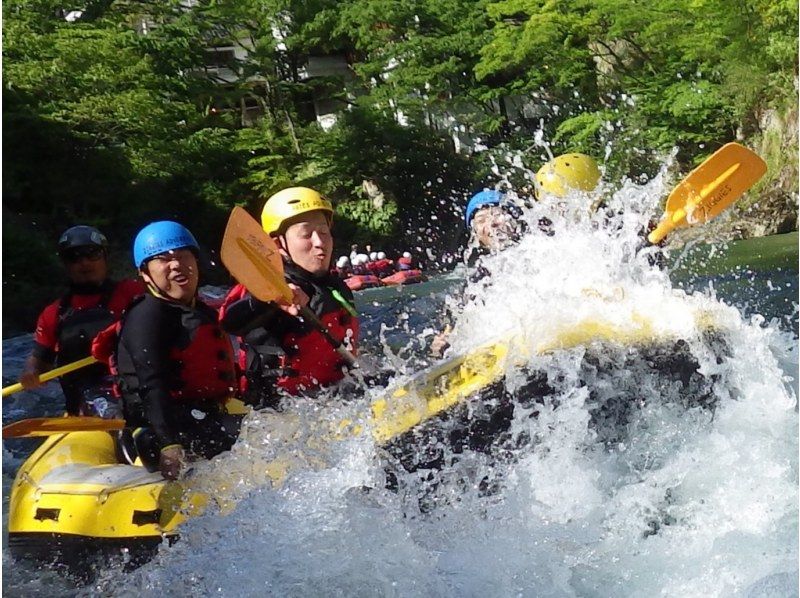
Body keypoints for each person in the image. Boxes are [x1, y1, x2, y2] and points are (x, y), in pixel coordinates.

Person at [93, 221, 240, 480]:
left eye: (183, 256)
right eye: (162, 260)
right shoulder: (146, 317)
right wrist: (168, 444)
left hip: (204, 416)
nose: (176, 264)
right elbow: (151, 384)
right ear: (146, 274)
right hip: (156, 431)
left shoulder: (201, 311)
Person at [220, 187, 359, 406]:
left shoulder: (334, 285)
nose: (319, 242)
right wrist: (271, 301)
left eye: (323, 232)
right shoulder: (266, 288)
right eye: (306, 235)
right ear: (278, 245)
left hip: (337, 395)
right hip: (283, 409)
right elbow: (232, 321)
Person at [19, 225, 144, 417]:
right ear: (66, 264)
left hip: (135, 396)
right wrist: (31, 371)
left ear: (105, 257)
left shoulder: (133, 294)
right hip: (83, 411)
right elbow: (39, 359)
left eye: (92, 254)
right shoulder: (54, 313)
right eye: (74, 257)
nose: (84, 262)